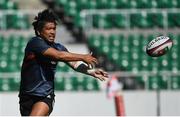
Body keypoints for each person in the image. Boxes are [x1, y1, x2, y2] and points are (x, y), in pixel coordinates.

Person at [18, 9, 108, 116]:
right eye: (48, 29)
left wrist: (91, 71)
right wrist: (83, 56)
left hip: (45, 95)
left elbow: (74, 64)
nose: (52, 32)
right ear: (39, 31)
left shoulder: (59, 47)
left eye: (54, 28)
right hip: (26, 96)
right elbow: (58, 55)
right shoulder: (35, 43)